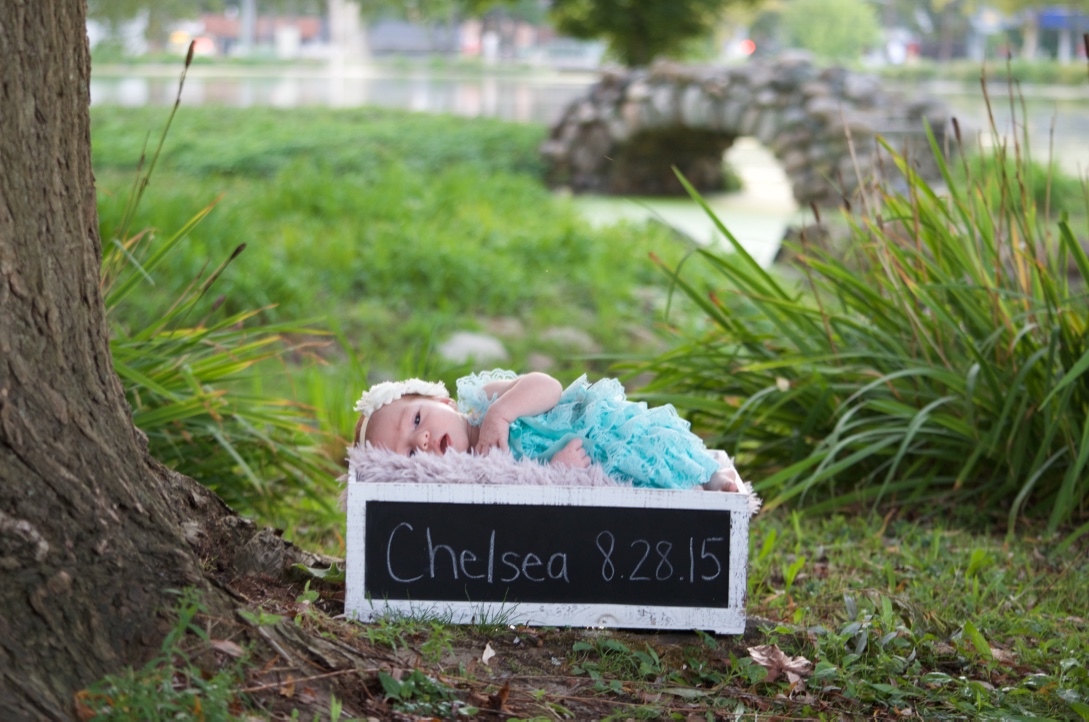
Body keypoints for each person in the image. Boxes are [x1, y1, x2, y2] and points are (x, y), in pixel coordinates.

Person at [353, 369, 743, 492]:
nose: (421, 440)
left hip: (594, 425)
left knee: (651, 442)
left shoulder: (482, 403)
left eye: (416, 420)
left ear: (443, 402)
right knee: (640, 481)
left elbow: (548, 386)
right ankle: (693, 492)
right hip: (590, 466)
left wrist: (501, 413)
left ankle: (709, 473)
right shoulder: (472, 477)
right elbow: (527, 492)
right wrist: (555, 471)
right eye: (409, 452)